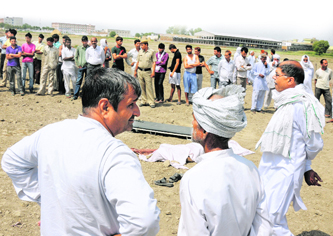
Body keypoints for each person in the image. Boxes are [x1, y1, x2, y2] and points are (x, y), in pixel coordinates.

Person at [2, 68, 160, 235]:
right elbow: (144, 223)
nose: (137, 112)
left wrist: (52, 202)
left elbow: (11, 161)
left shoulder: (51, 132)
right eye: (131, 104)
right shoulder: (114, 153)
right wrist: (50, 200)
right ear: (105, 106)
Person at [178, 85, 272, 235]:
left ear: (204, 131)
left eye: (194, 120)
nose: (192, 124)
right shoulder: (250, 169)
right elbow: (264, 226)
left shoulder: (194, 178)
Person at [256, 60, 325, 235]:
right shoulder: (286, 101)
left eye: (277, 75)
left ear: (290, 80)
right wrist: (307, 167)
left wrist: (304, 165)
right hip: (269, 168)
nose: (274, 77)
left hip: (286, 171)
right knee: (262, 213)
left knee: (273, 219)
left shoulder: (302, 104)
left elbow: (314, 143)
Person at [134, 40, 156, 108]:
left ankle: (151, 102)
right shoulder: (140, 51)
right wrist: (135, 70)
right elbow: (138, 61)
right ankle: (143, 101)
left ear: (146, 45)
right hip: (140, 71)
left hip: (147, 71)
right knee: (141, 86)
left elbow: (154, 62)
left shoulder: (152, 52)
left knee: (149, 87)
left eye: (142, 45)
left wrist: (153, 72)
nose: (141, 46)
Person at [73, 35, 89, 100]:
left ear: (87, 41)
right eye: (83, 41)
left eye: (86, 41)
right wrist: (78, 64)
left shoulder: (89, 48)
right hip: (81, 67)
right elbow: (75, 57)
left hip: (88, 67)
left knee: (87, 81)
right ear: (82, 41)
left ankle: (85, 94)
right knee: (79, 81)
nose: (84, 42)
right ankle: (75, 95)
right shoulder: (79, 48)